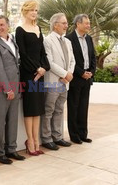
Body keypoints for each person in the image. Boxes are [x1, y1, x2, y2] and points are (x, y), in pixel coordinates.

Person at [0, 15, 25, 164]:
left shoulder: (12, 40)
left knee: (12, 120)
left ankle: (11, 149)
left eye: (1, 24)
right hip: (1, 89)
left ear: (8, 26)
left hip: (16, 87)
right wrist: (7, 89)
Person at [15, 0, 50, 155]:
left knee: (38, 109)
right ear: (25, 12)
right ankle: (30, 141)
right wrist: (36, 69)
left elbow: (42, 52)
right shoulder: (20, 30)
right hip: (29, 74)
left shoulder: (38, 28)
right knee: (30, 109)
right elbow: (22, 54)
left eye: (36, 10)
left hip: (40, 73)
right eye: (31, 10)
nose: (35, 13)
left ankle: (36, 141)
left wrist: (44, 68)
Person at [41, 13, 75, 150]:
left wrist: (69, 74)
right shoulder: (47, 40)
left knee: (59, 110)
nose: (66, 26)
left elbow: (72, 60)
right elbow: (50, 62)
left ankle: (58, 137)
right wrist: (64, 73)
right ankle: (46, 138)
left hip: (65, 82)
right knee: (48, 110)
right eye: (64, 23)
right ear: (55, 25)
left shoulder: (68, 41)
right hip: (53, 81)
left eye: (66, 23)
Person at [66, 14, 96, 144]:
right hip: (76, 79)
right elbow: (70, 60)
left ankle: (83, 133)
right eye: (86, 23)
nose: (88, 25)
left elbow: (93, 57)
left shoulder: (89, 38)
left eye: (89, 23)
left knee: (84, 107)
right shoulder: (69, 39)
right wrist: (81, 73)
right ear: (78, 24)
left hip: (87, 79)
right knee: (74, 107)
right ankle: (74, 135)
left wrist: (91, 72)